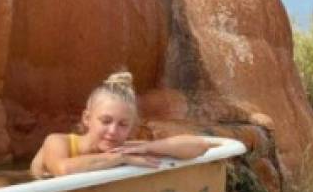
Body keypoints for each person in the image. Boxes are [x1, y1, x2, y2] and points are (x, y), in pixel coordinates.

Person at [30, 71, 218, 178]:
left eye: (123, 125)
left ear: (131, 127)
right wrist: (119, 159)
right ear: (87, 119)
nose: (113, 131)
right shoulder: (57, 142)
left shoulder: (123, 149)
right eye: (105, 121)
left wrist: (147, 147)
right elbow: (63, 170)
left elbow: (199, 146)